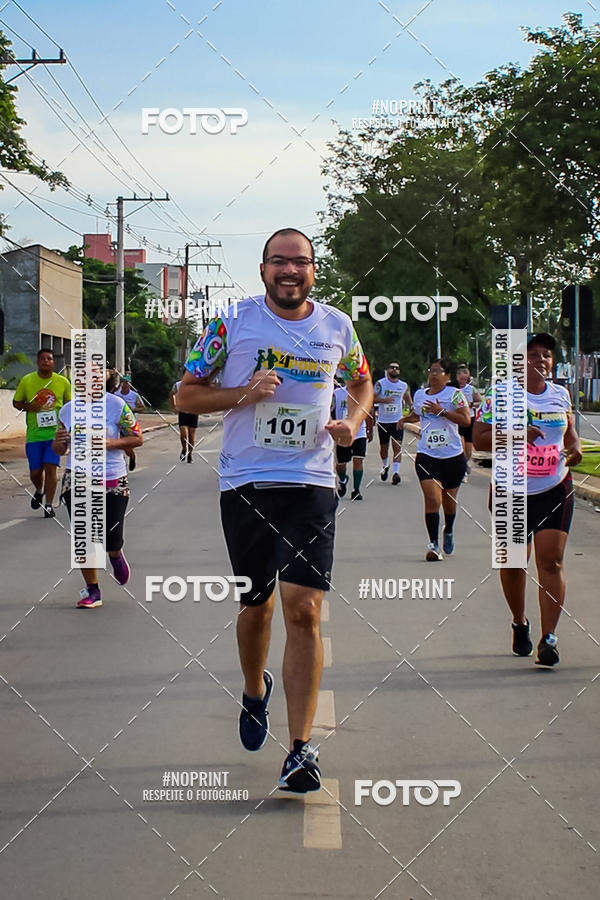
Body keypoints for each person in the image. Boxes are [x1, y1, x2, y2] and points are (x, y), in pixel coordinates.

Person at [177, 228, 372, 792]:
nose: (291, 271)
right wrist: (242, 393)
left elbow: (361, 384)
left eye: (301, 263)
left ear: (314, 269)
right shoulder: (231, 324)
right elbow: (185, 396)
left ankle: (301, 750)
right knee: (257, 605)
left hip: (311, 482)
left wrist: (351, 424)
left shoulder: (337, 326)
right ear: (263, 269)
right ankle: (254, 689)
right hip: (247, 483)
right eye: (279, 263)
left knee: (304, 610)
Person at [473, 333, 582, 667]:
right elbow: (479, 439)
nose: (541, 361)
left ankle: (548, 639)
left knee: (551, 561)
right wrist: (518, 435)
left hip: (554, 486)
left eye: (546, 355)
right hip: (510, 489)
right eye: (532, 355)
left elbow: (569, 430)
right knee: (513, 562)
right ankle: (520, 622)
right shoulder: (500, 394)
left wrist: (574, 447)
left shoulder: (560, 395)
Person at [52, 369, 143, 608]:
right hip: (78, 477)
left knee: (110, 537)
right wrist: (58, 443)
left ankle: (115, 552)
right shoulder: (67, 410)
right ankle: (92, 590)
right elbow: (60, 449)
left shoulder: (117, 405)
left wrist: (110, 443)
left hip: (111, 477)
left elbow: (137, 438)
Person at [398, 359, 470, 560]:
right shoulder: (420, 395)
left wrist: (443, 411)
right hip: (427, 455)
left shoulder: (455, 395)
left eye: (438, 371)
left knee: (449, 503)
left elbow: (466, 420)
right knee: (432, 499)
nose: (433, 375)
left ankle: (448, 530)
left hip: (452, 456)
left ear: (447, 376)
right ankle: (433, 544)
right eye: (431, 371)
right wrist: (405, 419)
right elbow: (417, 414)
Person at [12, 349, 71, 518]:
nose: (46, 361)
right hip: (34, 435)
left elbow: (70, 405)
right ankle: (39, 490)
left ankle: (49, 505)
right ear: (38, 362)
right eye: (43, 359)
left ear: (53, 362)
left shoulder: (63, 382)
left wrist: (68, 427)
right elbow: (16, 402)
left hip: (54, 435)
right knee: (35, 472)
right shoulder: (27, 380)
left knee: (51, 469)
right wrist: (29, 407)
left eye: (49, 359)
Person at [373, 362, 412, 485]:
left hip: (397, 421)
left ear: (399, 371)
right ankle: (385, 466)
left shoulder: (403, 385)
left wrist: (412, 409)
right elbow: (371, 398)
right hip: (384, 421)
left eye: (397, 368)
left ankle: (396, 473)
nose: (394, 370)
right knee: (384, 448)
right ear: (387, 370)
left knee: (397, 447)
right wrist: (383, 400)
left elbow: (407, 399)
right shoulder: (380, 384)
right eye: (392, 367)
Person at [332, 380, 368, 501]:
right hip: (343, 432)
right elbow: (331, 410)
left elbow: (368, 412)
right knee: (340, 465)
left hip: (359, 432)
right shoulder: (337, 393)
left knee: (358, 461)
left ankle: (356, 490)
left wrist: (369, 430)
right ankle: (343, 479)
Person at [114, 375, 144, 471]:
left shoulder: (134, 395)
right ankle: (120, 464)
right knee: (116, 445)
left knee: (127, 448)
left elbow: (142, 408)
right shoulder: (116, 394)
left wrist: (133, 409)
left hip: (128, 425)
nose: (125, 385)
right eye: (123, 382)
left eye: (127, 383)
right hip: (116, 424)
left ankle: (132, 457)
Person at [456, 364, 481, 476]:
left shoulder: (471, 389)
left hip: (470, 418)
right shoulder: (453, 388)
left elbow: (480, 401)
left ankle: (465, 463)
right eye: (461, 379)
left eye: (465, 379)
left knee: (468, 448)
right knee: (460, 444)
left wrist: (471, 404)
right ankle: (461, 467)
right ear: (457, 377)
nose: (463, 381)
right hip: (458, 419)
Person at [170, 376, 198, 463]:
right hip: (183, 411)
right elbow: (172, 394)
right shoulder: (178, 385)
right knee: (184, 433)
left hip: (193, 411)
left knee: (191, 435)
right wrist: (174, 406)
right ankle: (184, 449)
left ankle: (190, 454)